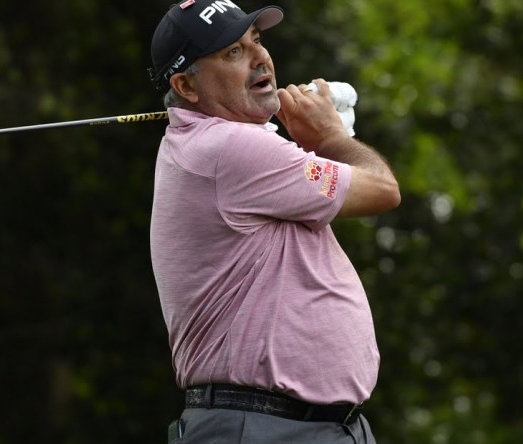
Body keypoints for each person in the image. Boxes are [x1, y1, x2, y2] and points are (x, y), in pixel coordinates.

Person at [147, 0, 401, 442]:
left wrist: (317, 146)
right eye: (232, 53)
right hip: (266, 426)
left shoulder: (215, 145)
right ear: (187, 86)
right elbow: (383, 190)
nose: (260, 58)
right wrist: (331, 139)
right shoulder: (229, 149)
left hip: (299, 425)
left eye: (256, 41)